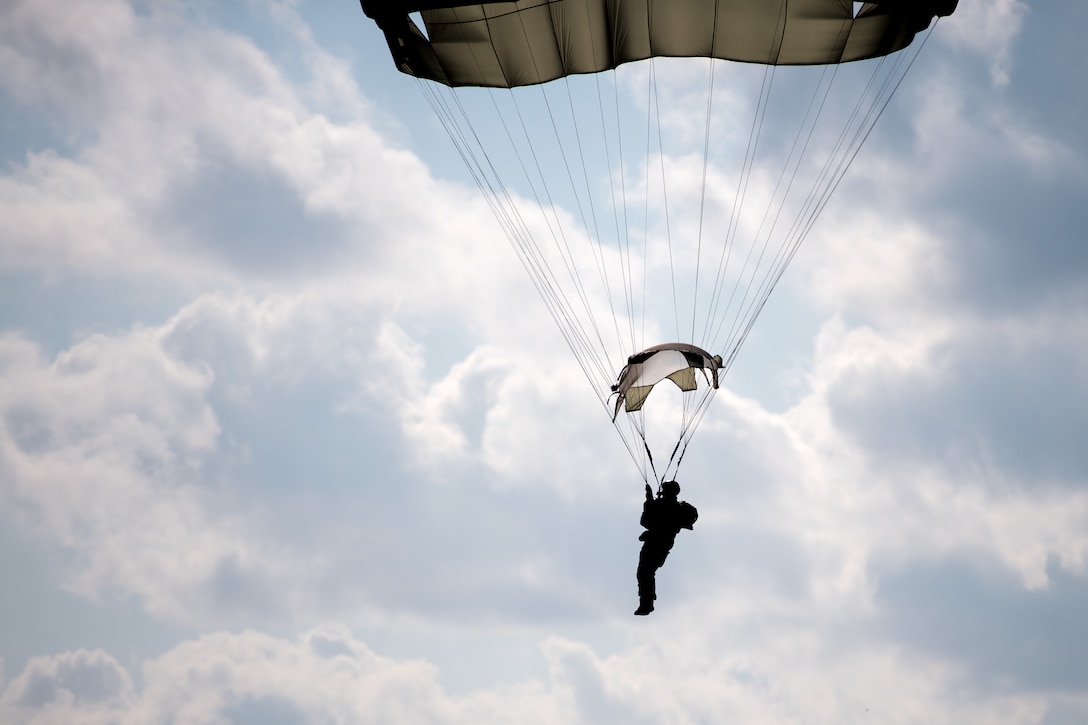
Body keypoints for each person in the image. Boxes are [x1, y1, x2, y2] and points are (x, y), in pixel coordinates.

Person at [635, 480, 698, 615]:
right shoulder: (677, 509)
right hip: (662, 545)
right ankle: (647, 601)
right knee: (646, 573)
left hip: (655, 544)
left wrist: (649, 502)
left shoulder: (663, 507)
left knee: (645, 573)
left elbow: (645, 522)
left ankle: (647, 603)